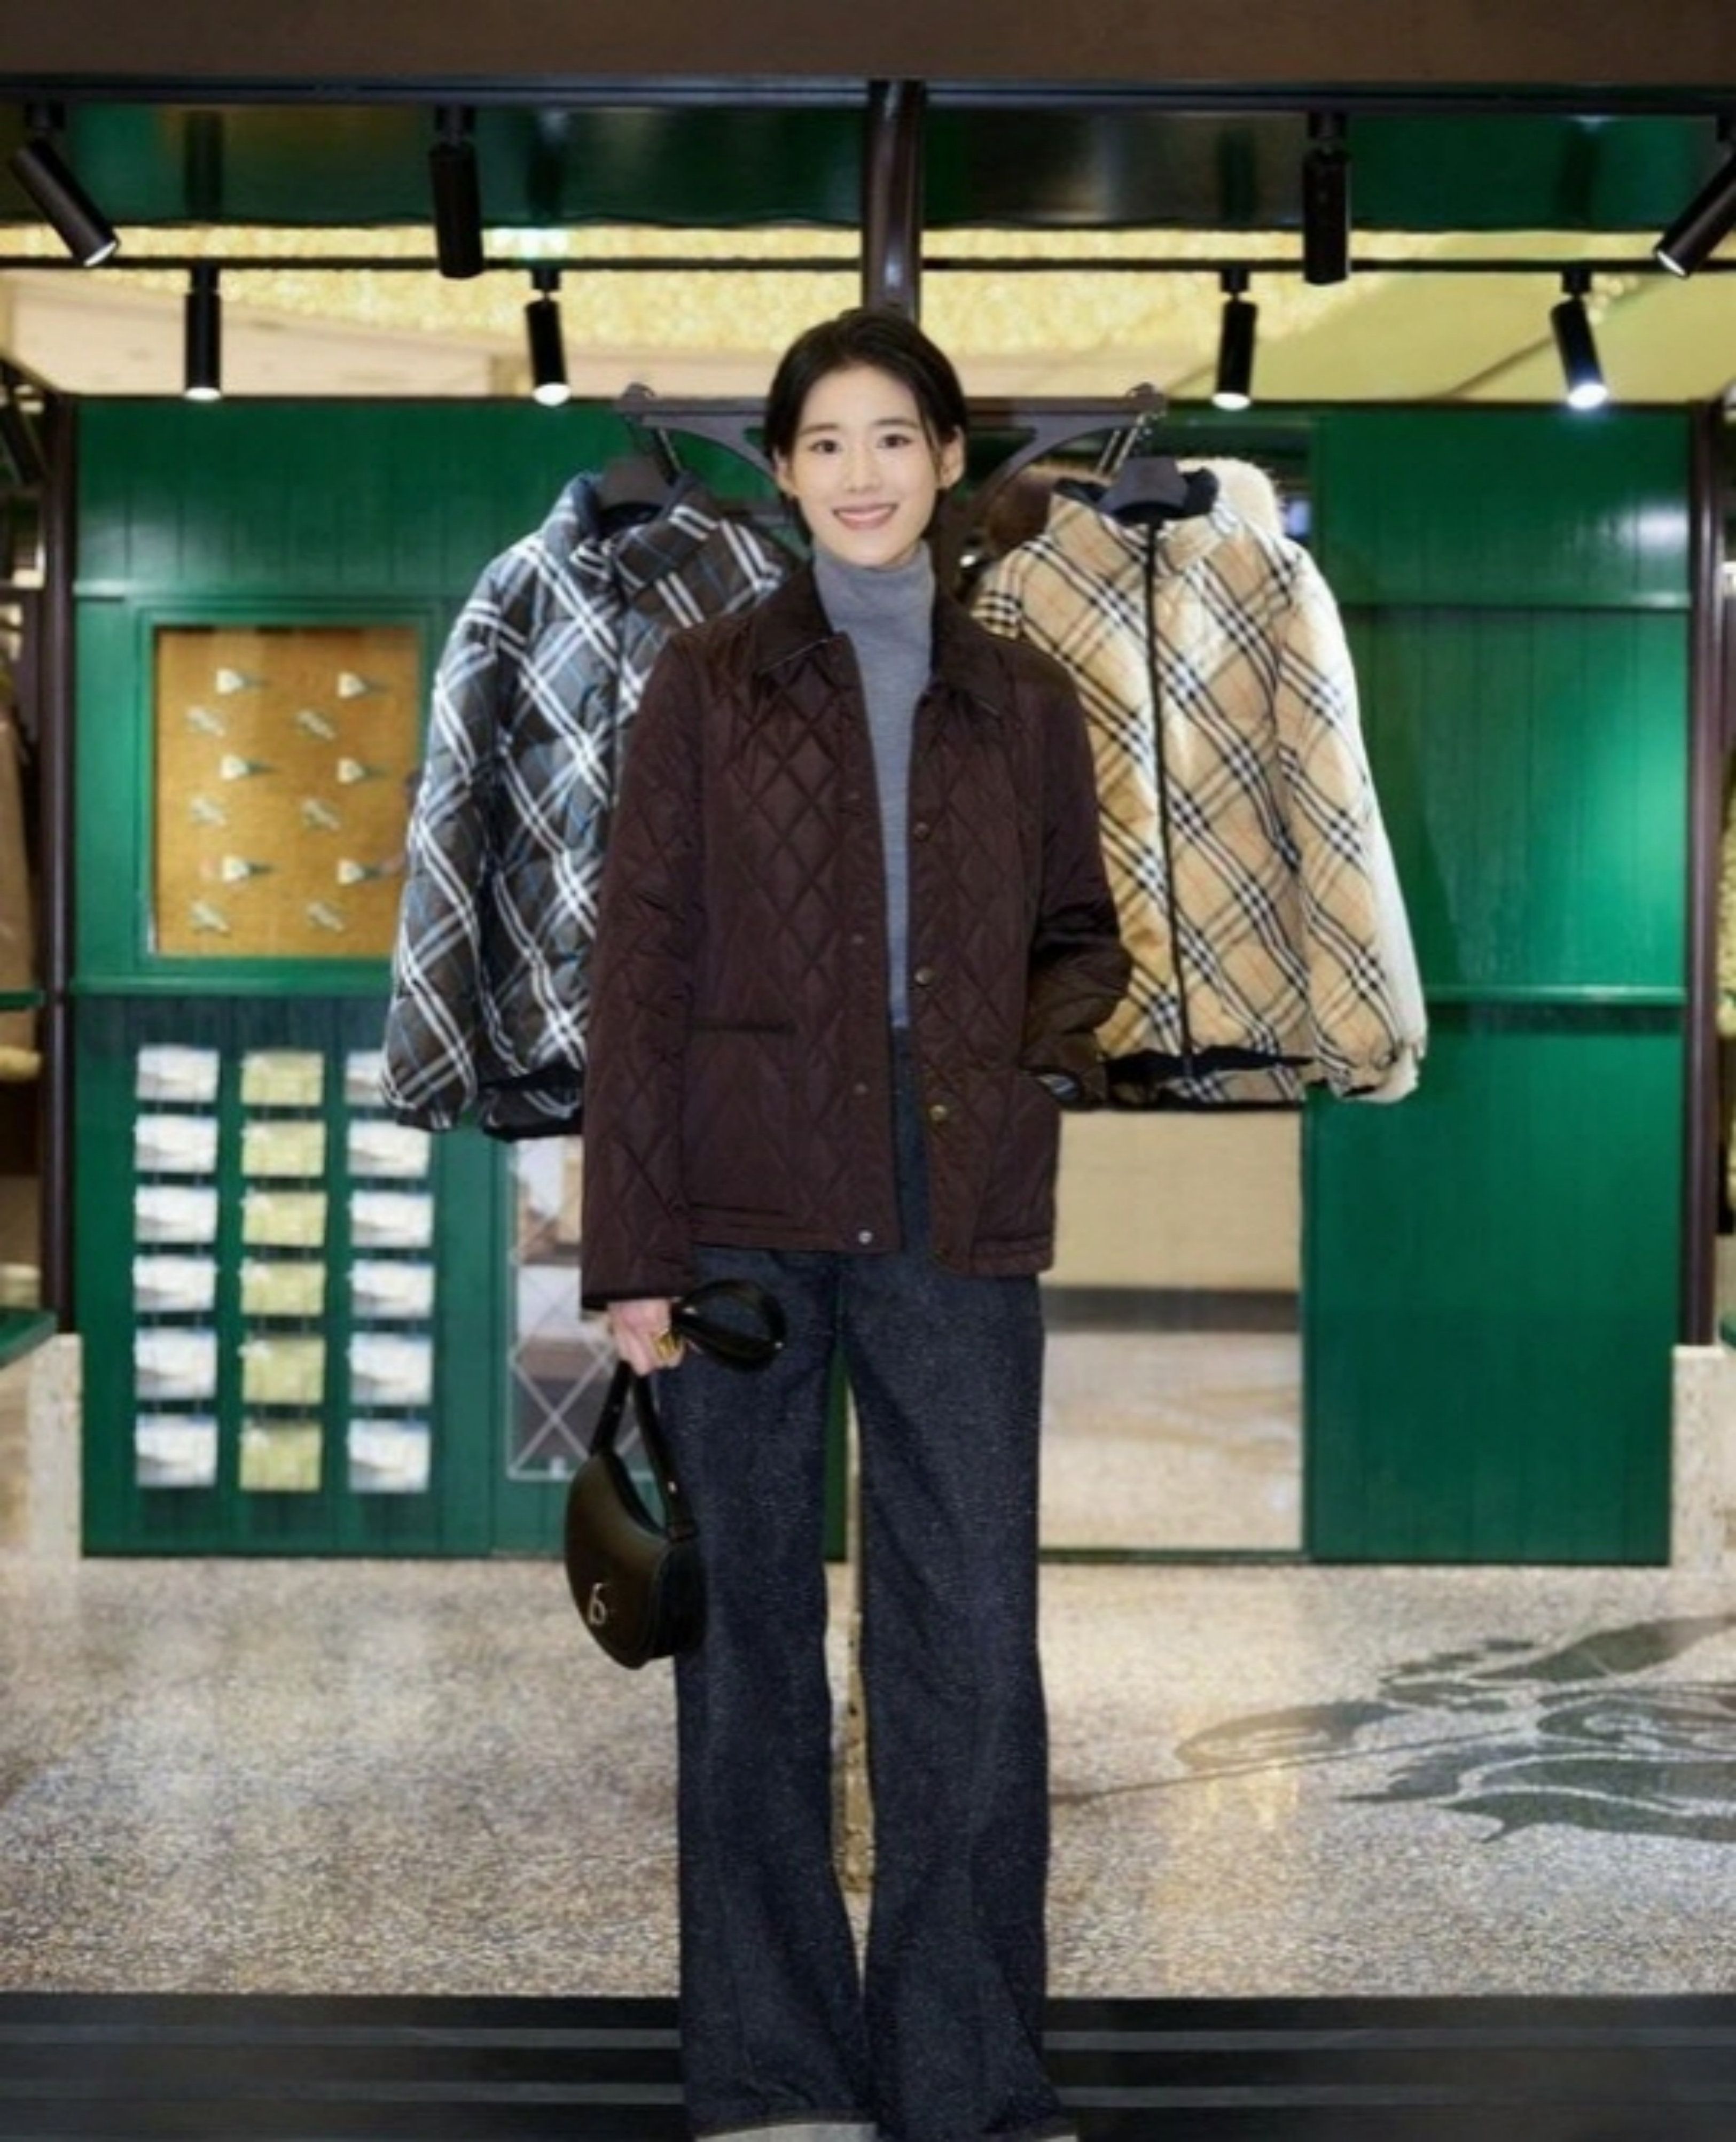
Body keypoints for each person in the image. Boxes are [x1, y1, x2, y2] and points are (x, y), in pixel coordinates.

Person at [580, 305, 1130, 2142]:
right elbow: (638, 969)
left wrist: (1024, 1058)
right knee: (747, 1644)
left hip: (957, 1187)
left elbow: (1081, 932)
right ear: (785, 470)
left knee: (966, 1630)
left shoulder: (1026, 697)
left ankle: (964, 2066)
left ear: (948, 458)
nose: (863, 472)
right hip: (737, 1203)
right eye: (825, 442)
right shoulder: (703, 681)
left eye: (895, 436)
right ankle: (770, 2064)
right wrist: (631, 1253)